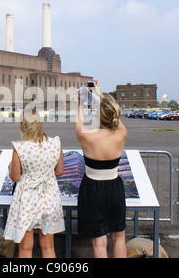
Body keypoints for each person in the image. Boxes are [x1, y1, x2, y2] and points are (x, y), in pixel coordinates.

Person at [74, 80, 128, 258]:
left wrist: (81, 101)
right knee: (119, 237)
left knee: (99, 242)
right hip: (114, 187)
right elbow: (114, 115)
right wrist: (100, 94)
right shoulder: (121, 133)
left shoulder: (86, 135)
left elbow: (79, 121)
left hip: (93, 188)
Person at [4, 110, 65, 258]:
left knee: (25, 248)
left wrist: (10, 167)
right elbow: (59, 171)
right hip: (50, 196)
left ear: (23, 125)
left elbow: (16, 176)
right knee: (48, 246)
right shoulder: (55, 143)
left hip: (27, 199)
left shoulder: (20, 147)